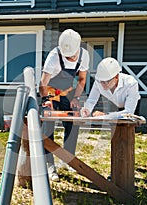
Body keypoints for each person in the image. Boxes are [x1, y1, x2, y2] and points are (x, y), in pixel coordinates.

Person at [39, 29, 90, 181]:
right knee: (48, 126)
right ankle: (49, 165)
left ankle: (67, 159)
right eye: (68, 56)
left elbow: (81, 80)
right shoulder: (54, 56)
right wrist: (45, 100)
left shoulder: (84, 55)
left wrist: (76, 98)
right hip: (51, 92)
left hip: (68, 91)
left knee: (73, 122)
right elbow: (43, 83)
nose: (71, 58)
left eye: (73, 56)